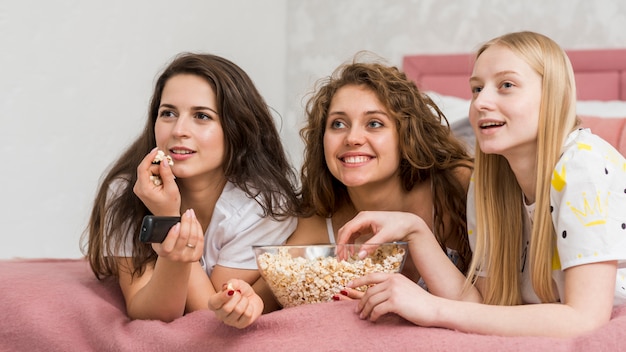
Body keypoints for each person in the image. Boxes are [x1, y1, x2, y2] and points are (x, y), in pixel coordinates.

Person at [336, 31, 626, 337]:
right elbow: (482, 306)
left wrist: (431, 308)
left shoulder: (585, 165)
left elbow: (584, 319)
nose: (481, 102)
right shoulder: (490, 183)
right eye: (476, 89)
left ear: (554, 96)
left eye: (506, 86)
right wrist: (416, 230)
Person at [81, 53, 301, 328]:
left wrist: (168, 220)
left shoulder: (264, 207)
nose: (179, 130)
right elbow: (147, 311)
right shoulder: (128, 191)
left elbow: (211, 314)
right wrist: (166, 217)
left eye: (201, 116)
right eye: (168, 113)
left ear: (237, 128)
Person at [288, 53, 474, 301]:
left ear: (407, 134)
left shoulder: (461, 186)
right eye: (338, 124)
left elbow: (497, 303)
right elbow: (265, 296)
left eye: (374, 124)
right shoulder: (321, 215)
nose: (352, 138)